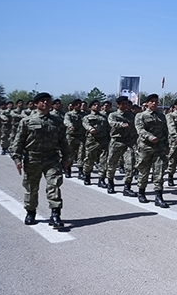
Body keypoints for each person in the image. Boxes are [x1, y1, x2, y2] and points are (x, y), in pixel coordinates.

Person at [11, 93, 70, 228]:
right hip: (33, 158)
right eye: (42, 101)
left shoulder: (57, 121)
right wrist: (17, 159)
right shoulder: (27, 121)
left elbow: (63, 142)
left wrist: (67, 158)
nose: (46, 103)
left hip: (52, 158)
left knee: (54, 185)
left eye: (48, 101)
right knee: (31, 188)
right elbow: (18, 142)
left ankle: (55, 215)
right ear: (36, 104)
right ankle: (30, 212)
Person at [134, 94, 170, 208]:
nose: (154, 103)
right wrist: (150, 137)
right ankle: (141, 192)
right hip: (145, 147)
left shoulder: (161, 116)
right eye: (152, 101)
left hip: (159, 148)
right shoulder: (141, 116)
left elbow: (165, 132)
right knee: (144, 171)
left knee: (159, 172)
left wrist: (167, 145)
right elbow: (140, 130)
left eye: (156, 101)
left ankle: (158, 196)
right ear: (147, 103)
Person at [105, 96, 139, 196]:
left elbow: (135, 127)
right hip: (116, 142)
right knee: (112, 164)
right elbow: (111, 123)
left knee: (130, 164)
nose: (125, 105)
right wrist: (120, 124)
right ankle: (110, 183)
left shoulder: (131, 115)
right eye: (123, 104)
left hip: (128, 143)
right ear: (118, 105)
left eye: (127, 103)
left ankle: (127, 187)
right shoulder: (113, 115)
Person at [81, 100, 109, 186]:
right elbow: (86, 124)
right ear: (90, 107)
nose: (96, 106)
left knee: (103, 160)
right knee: (89, 159)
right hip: (92, 141)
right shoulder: (87, 117)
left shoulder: (104, 117)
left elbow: (108, 128)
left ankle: (101, 179)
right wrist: (90, 129)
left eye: (98, 105)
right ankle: (87, 175)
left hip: (103, 140)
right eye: (94, 105)